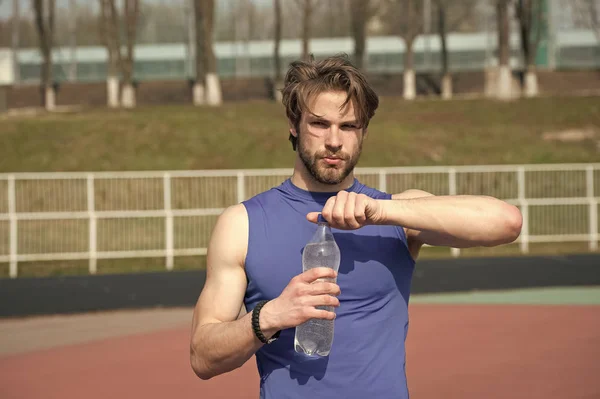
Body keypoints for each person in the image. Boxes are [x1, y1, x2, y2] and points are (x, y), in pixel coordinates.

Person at [189, 54, 522, 398]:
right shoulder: (242, 223)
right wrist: (268, 317)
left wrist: (381, 211)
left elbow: (506, 223)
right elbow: (202, 356)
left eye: (348, 126)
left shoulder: (395, 214)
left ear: (363, 132)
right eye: (320, 124)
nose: (334, 140)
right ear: (293, 123)